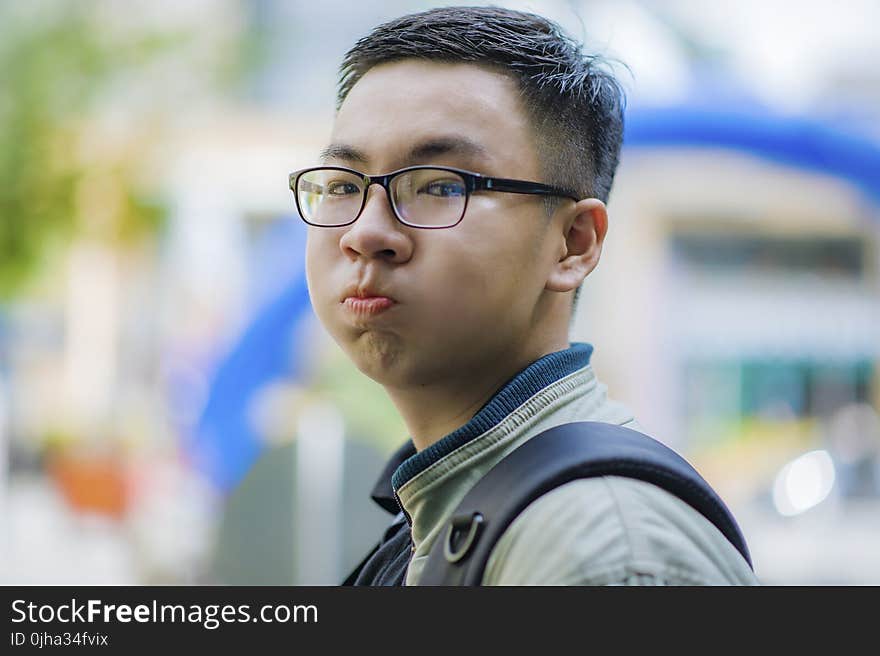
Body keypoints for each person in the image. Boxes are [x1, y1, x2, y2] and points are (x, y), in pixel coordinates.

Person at [293, 5, 758, 585]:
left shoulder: (605, 551)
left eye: (440, 185)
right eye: (343, 185)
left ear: (572, 243)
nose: (365, 234)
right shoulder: (437, 510)